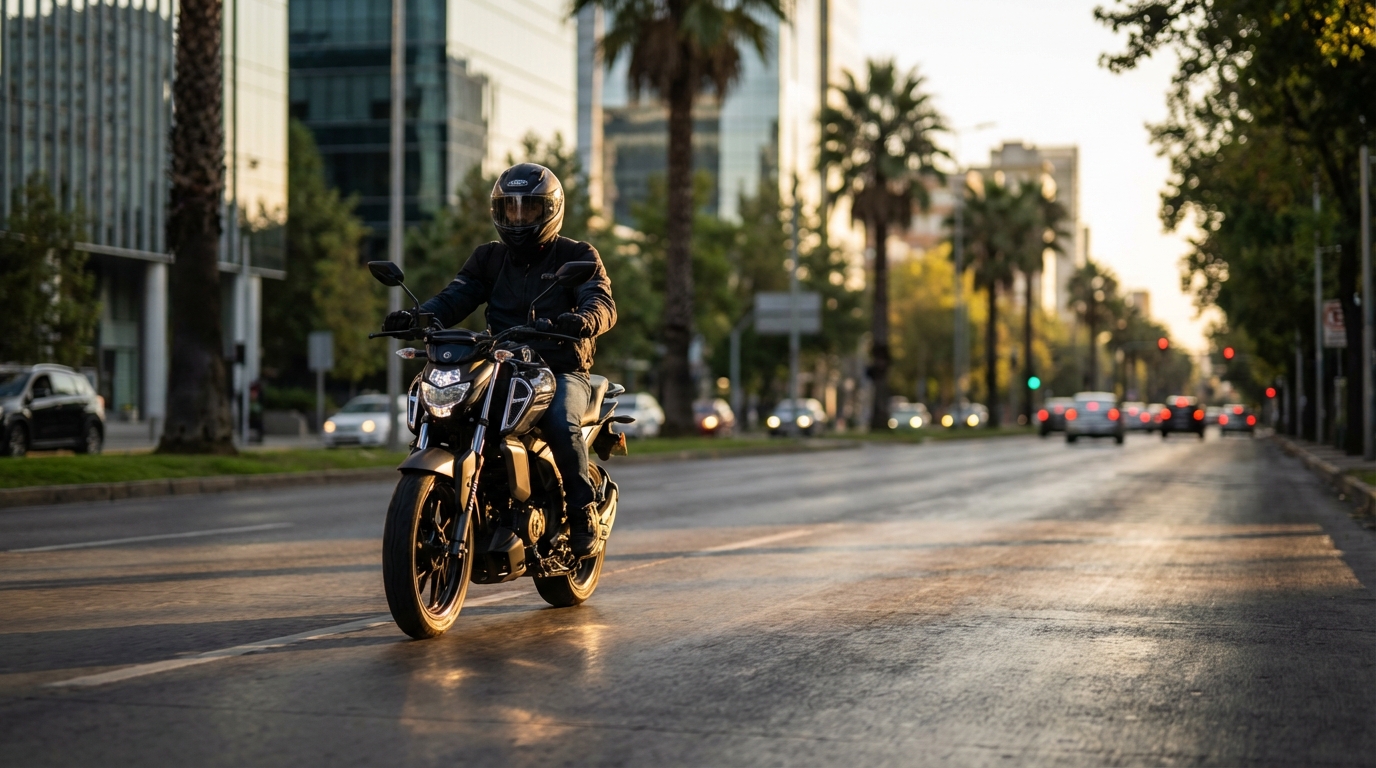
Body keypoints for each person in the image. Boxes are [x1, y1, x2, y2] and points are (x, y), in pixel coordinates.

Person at [382, 163, 616, 557]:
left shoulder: (577, 255)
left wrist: (583, 318)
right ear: (499, 212)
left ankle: (581, 511)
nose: (520, 218)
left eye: (529, 209)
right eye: (512, 209)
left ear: (550, 211)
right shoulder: (488, 259)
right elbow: (456, 297)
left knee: (560, 419)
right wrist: (419, 316)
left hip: (560, 367)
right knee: (452, 411)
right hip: (502, 363)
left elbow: (602, 302)